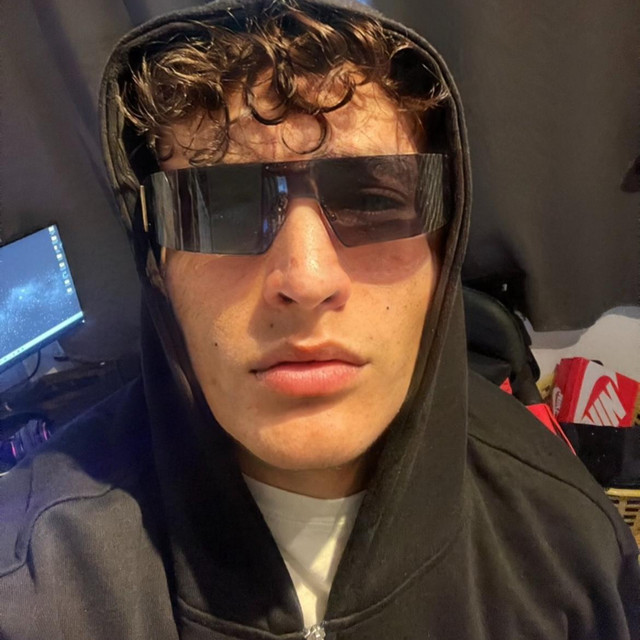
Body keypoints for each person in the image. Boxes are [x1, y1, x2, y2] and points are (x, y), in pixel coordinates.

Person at [0, 0, 638, 638]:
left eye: (374, 201)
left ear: (444, 247)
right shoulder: (29, 584)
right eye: (220, 209)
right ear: (157, 262)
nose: (306, 280)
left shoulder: (572, 553)